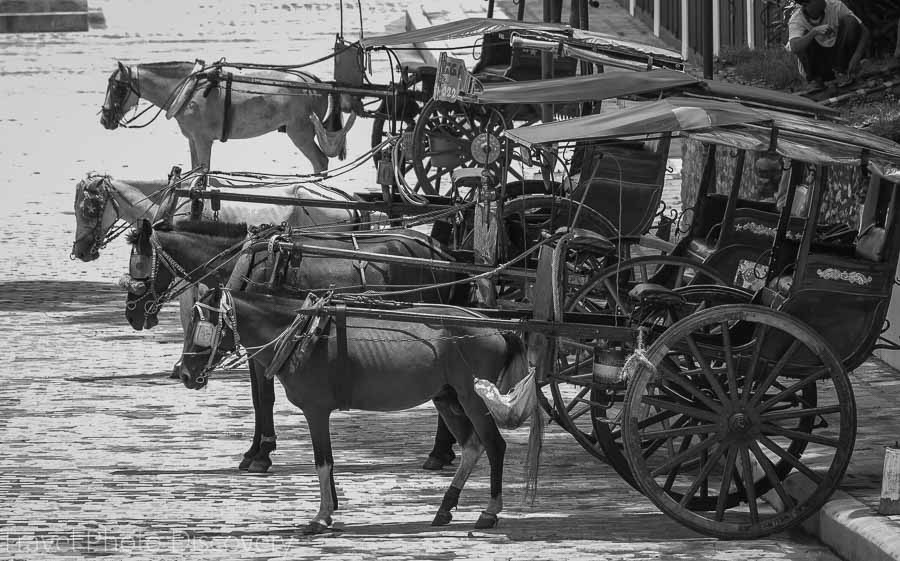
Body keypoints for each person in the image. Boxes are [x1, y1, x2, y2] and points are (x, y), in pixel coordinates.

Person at [787, 0, 869, 87]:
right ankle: (815, 80)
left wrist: (857, 55)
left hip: (840, 59)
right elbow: (794, 47)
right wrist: (814, 32)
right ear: (805, 4)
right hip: (820, 66)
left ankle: (845, 73)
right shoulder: (797, 19)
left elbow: (865, 31)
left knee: (850, 21)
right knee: (802, 39)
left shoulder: (836, 5)